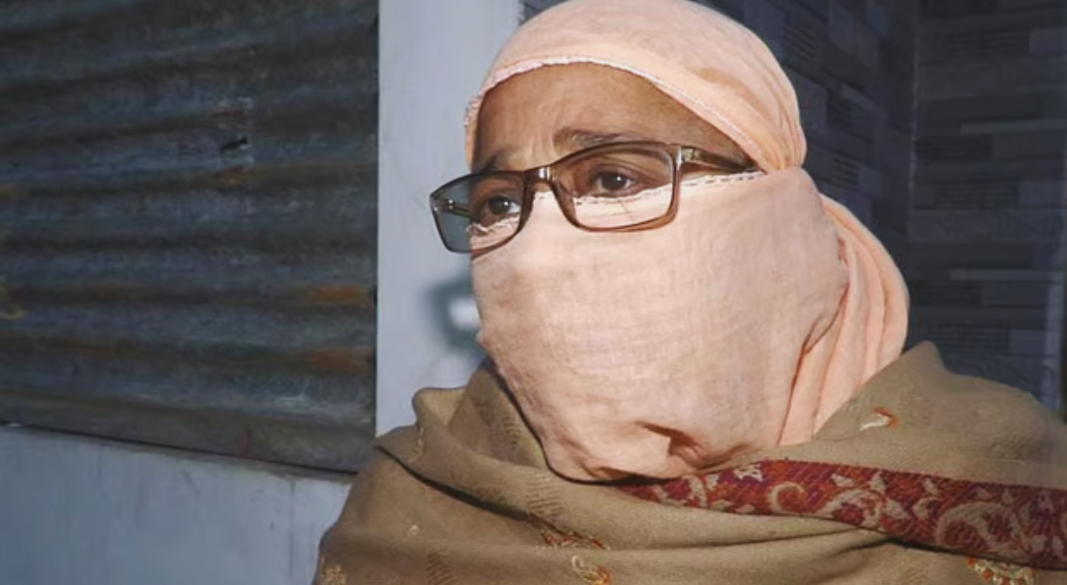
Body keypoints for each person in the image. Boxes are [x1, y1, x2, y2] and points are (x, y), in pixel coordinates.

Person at [315, 0, 1067, 582]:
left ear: (771, 212)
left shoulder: (1007, 478)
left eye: (613, 178)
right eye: (500, 202)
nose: (535, 255)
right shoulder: (417, 495)